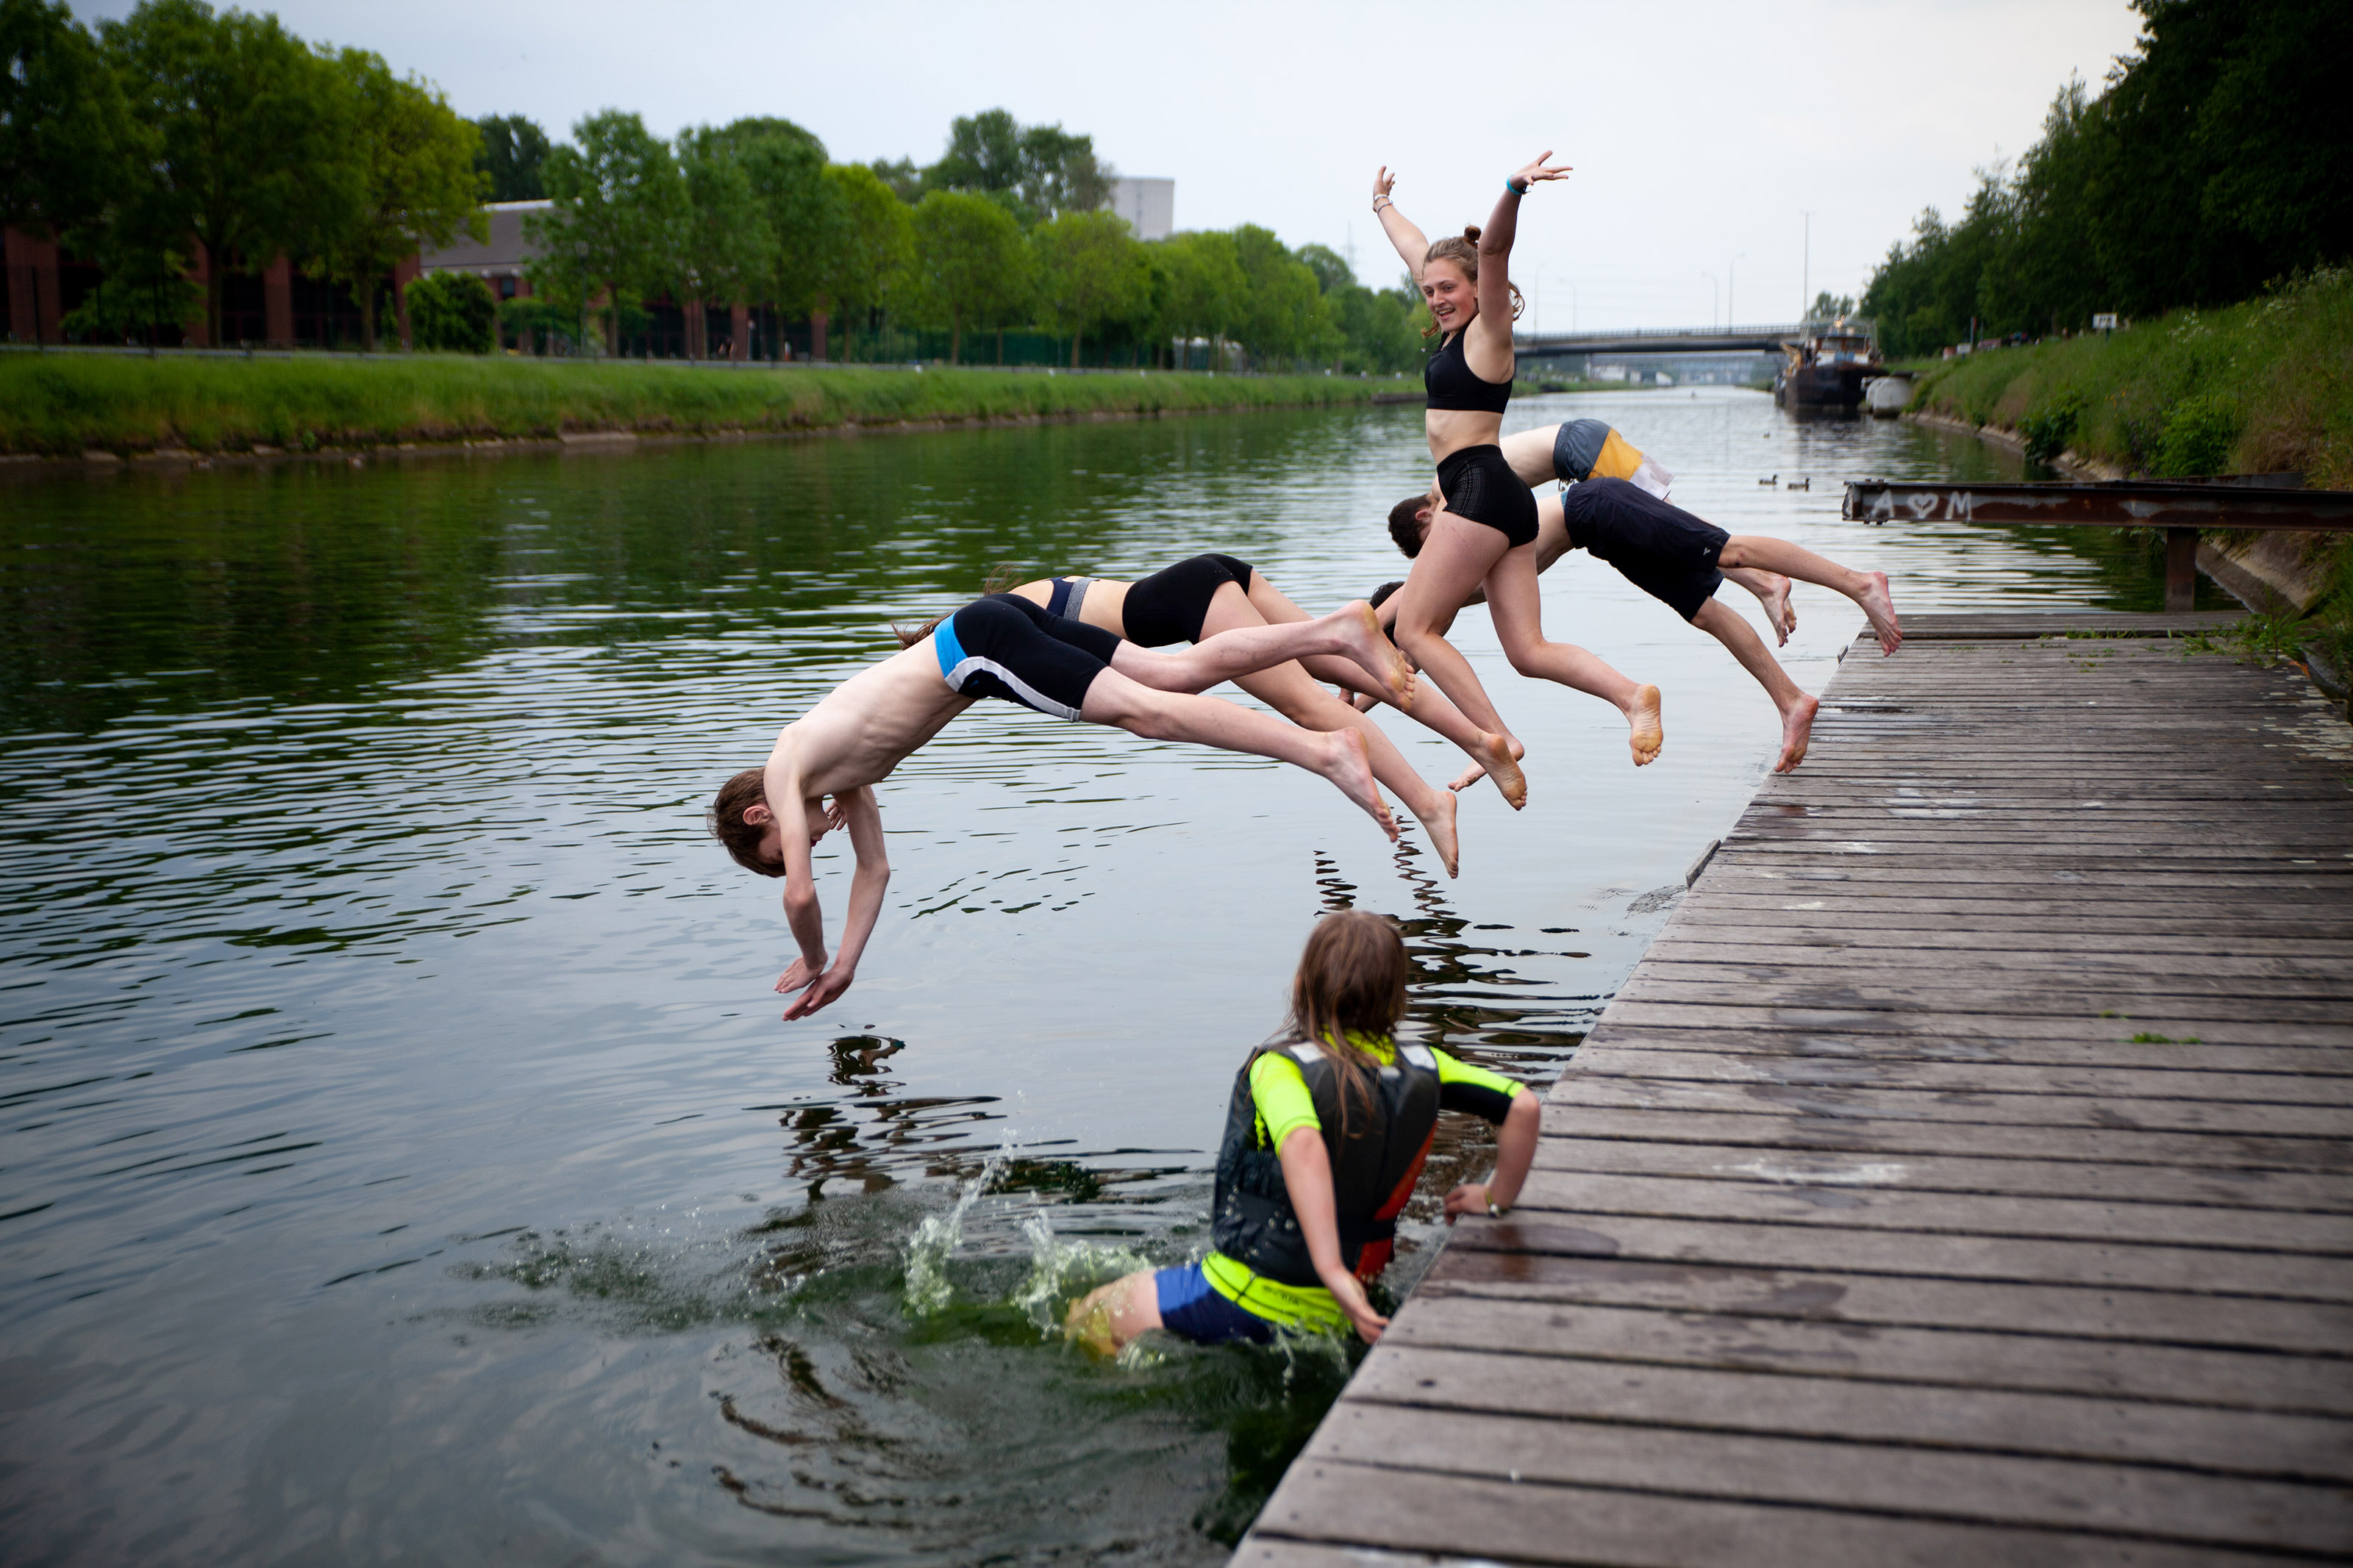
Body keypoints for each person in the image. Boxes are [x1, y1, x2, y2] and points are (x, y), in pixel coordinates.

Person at [707, 593, 1415, 1019]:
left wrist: (814, 956)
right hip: (983, 630)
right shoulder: (839, 776)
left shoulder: (785, 767)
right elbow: (876, 871)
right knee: (1174, 672)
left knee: (1151, 713)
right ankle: (1338, 631)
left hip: (975, 648)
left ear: (760, 817)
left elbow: (801, 895)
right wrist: (849, 967)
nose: (806, 844)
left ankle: (1325, 753)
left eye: (782, 845)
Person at [1065, 910, 1538, 1352]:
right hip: (1351, 1305)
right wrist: (1495, 1197)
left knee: (1091, 1314)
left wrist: (1329, 1268)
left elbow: (1302, 1142)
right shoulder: (1427, 1066)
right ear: (1398, 997)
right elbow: (1523, 1105)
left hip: (1246, 1298)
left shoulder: (1279, 1069)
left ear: (1301, 987)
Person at [1371, 152, 1665, 788]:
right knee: (1528, 651)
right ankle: (1630, 696)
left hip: (1478, 490)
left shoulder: (1488, 333)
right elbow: (1416, 249)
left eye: (1449, 288)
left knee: (1417, 631)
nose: (1437, 299)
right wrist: (1382, 207)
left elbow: (1497, 249)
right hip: (1504, 500)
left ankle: (1494, 739)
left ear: (1478, 288)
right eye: (1430, 290)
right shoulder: (1453, 333)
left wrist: (1511, 191)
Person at [1001, 554, 1531, 875]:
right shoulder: (1028, 597)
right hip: (1208, 574)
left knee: (1311, 706)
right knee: (1353, 668)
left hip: (1190, 603)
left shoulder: (1002, 626)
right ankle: (1480, 739)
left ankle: (1429, 804)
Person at [1381, 462, 1904, 773]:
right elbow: (1418, 636)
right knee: (1705, 613)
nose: (1440, 554)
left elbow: (1392, 613)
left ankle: (1858, 582)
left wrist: (1343, 664)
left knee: (1733, 552)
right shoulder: (1448, 586)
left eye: (1430, 546)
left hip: (1597, 505)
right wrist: (1369, 682)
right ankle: (1791, 701)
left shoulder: (1450, 537)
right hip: (1603, 538)